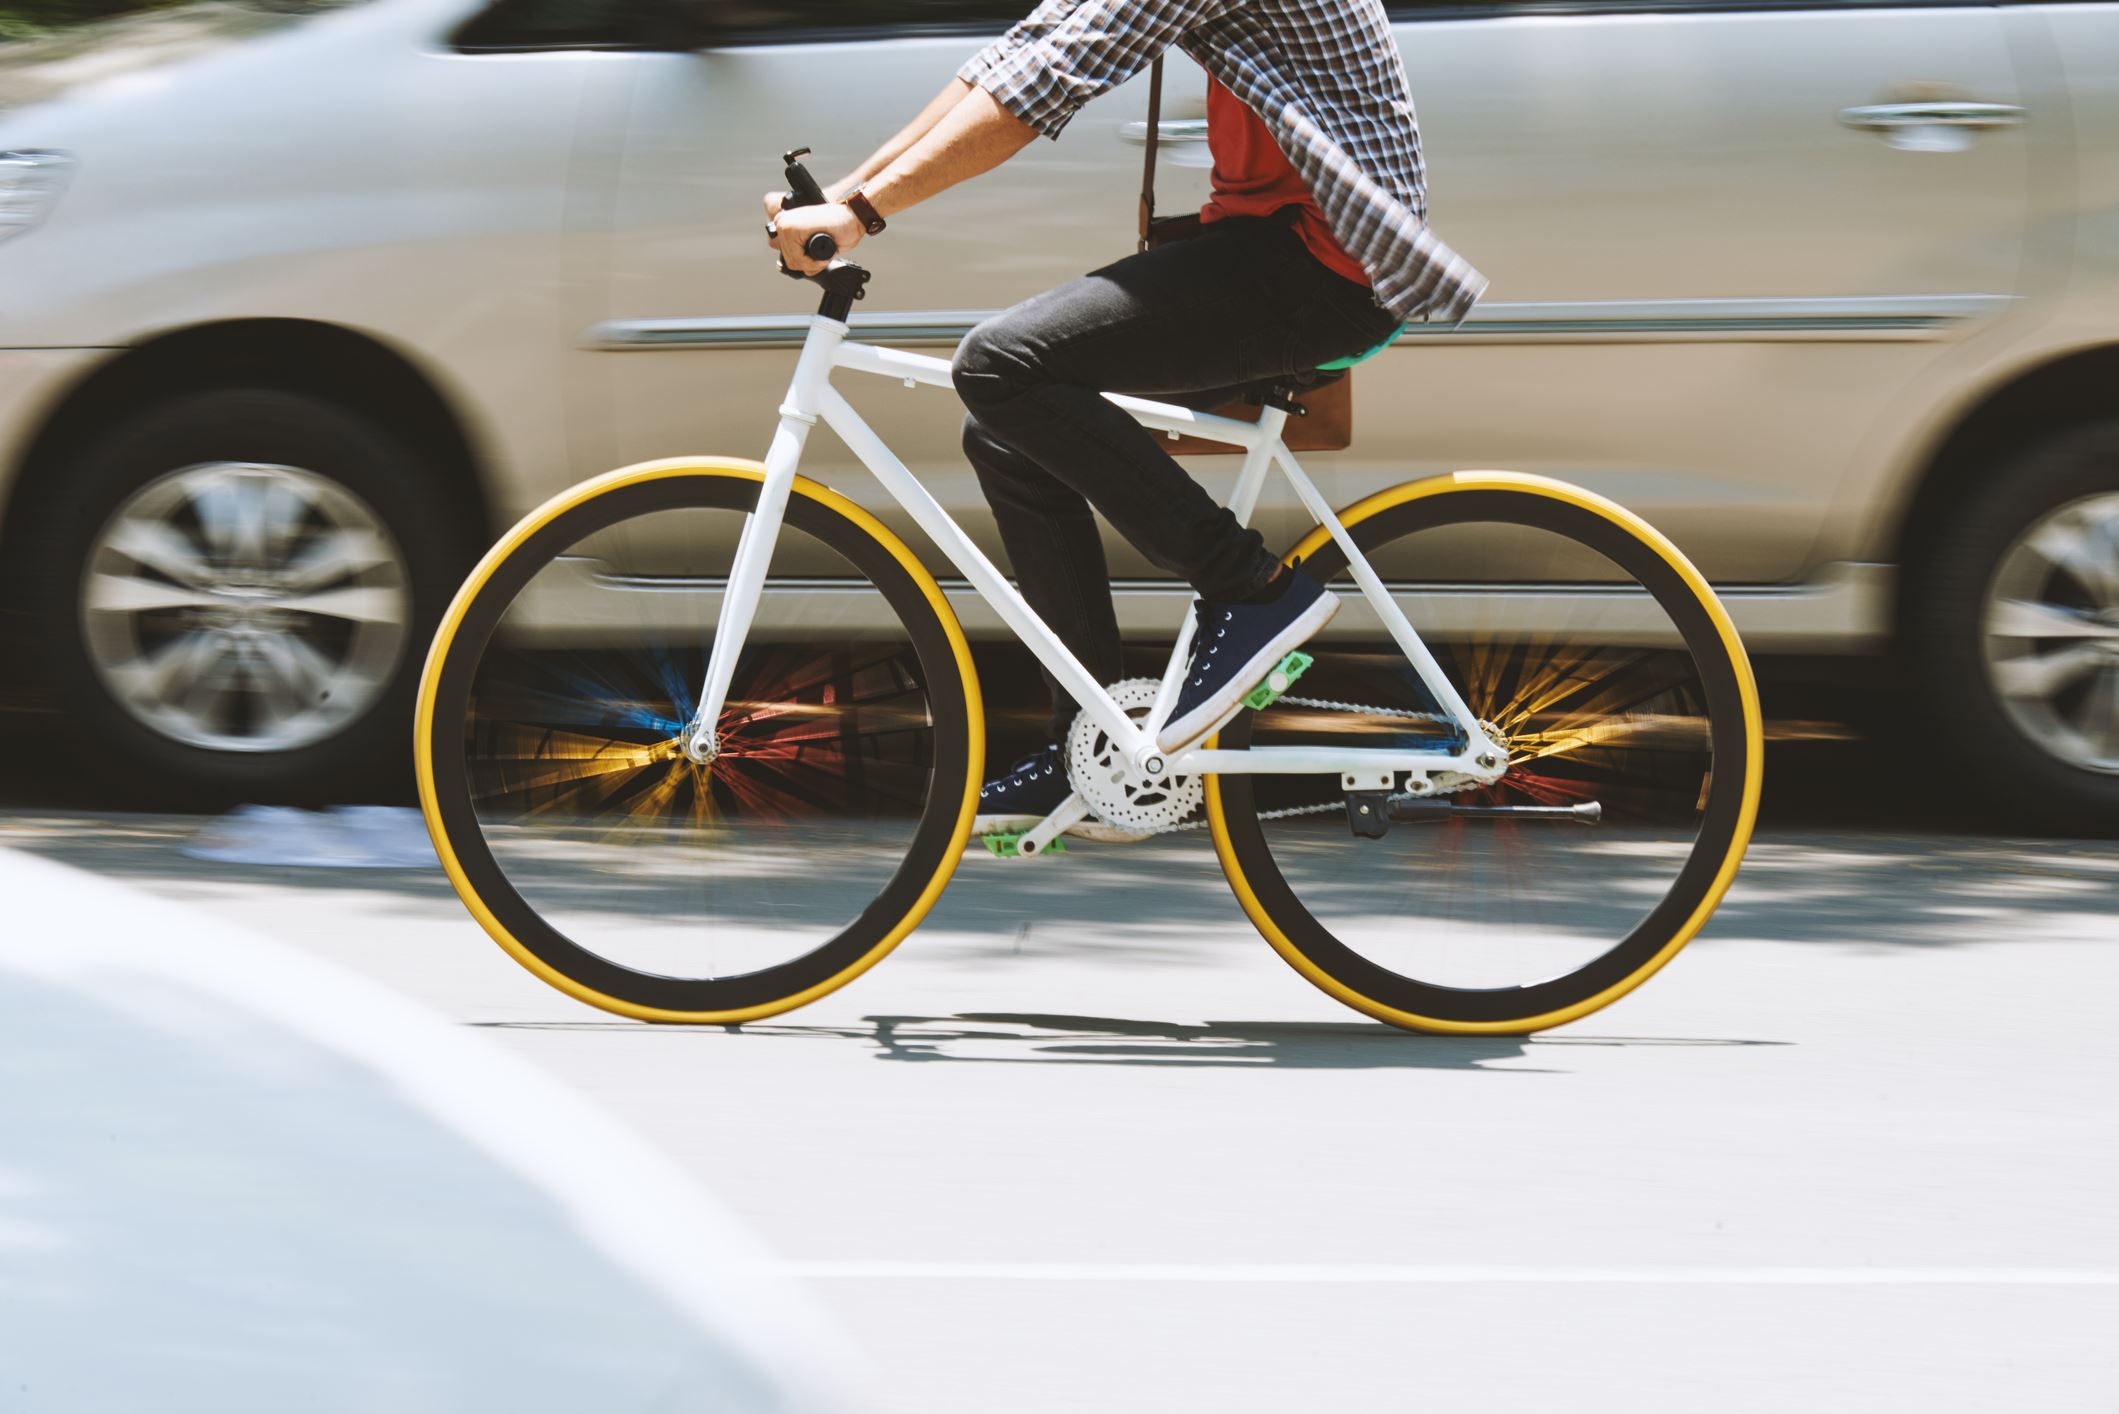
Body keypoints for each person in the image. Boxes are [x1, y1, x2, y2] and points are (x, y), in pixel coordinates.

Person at [765, 0, 1487, 841]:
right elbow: (1016, 55)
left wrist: (862, 213)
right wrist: (851, 195)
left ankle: (1250, 589)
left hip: (1321, 268)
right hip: (1272, 251)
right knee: (1008, 432)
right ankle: (1091, 742)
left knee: (999, 365)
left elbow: (1039, 89)